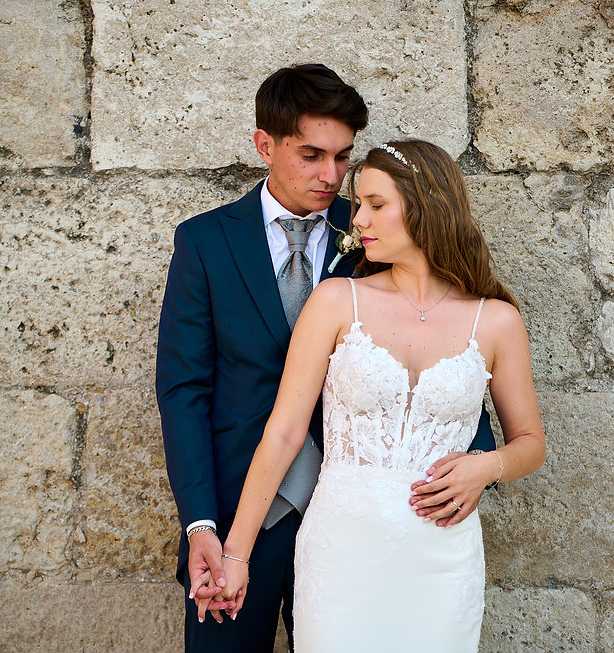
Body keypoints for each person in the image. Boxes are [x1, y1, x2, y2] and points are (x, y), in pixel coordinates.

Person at [155, 67, 497, 652]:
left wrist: (477, 463)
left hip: (359, 525)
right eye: (311, 155)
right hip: (241, 513)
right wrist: (201, 524)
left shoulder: (380, 228)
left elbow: (442, 339)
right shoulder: (205, 242)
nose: (331, 176)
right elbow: (184, 391)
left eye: (342, 157)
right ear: (265, 145)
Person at [218, 140, 546, 652]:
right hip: (341, 554)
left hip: (442, 562)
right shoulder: (336, 301)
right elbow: (282, 435)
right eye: (359, 205)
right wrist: (236, 554)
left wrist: (487, 466)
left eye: (376, 204)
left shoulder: (496, 321)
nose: (358, 221)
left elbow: (530, 443)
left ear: (425, 206)